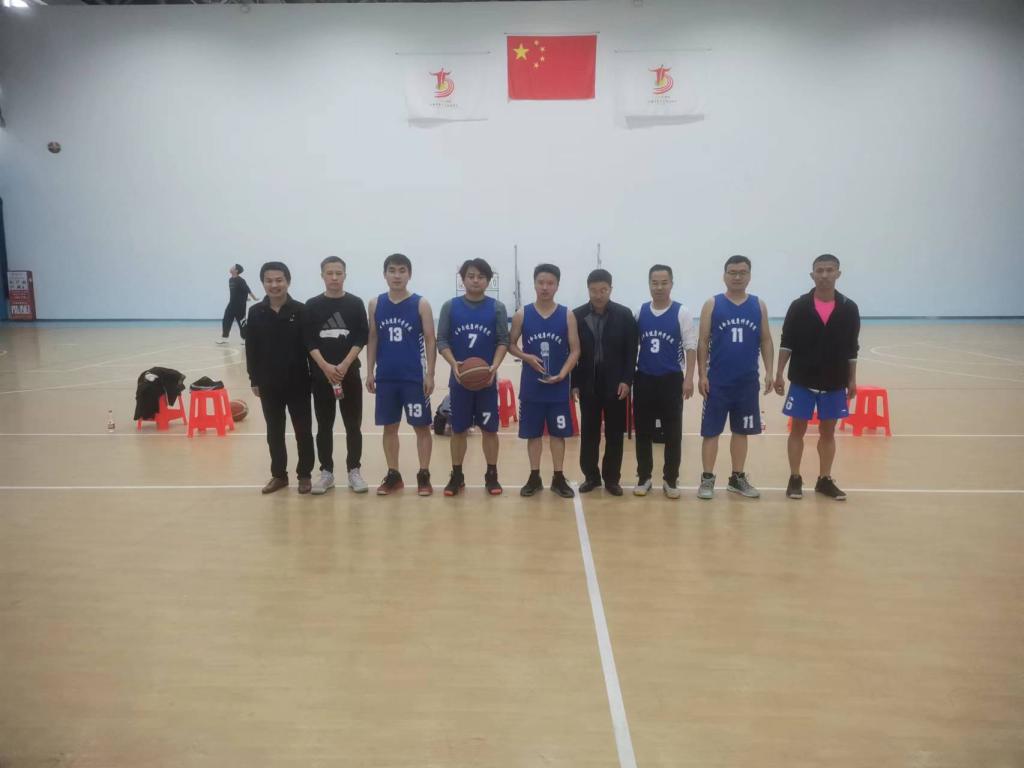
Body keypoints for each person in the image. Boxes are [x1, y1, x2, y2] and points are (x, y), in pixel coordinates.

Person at [773, 254, 860, 501]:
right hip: (802, 380)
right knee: (797, 430)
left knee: (828, 432)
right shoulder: (799, 306)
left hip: (834, 381)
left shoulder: (849, 308)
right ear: (812, 275)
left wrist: (852, 379)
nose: (824, 275)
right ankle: (795, 478)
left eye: (829, 270)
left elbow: (852, 347)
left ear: (838, 274)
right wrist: (779, 373)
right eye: (819, 270)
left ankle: (824, 479)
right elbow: (787, 342)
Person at [696, 255, 775, 499]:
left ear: (749, 275)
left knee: (742, 431)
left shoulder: (758, 305)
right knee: (711, 432)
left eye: (742, 272)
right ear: (724, 275)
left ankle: (737, 478)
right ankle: (707, 479)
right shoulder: (712, 304)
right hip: (717, 382)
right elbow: (702, 341)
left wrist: (770, 371)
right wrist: (702, 374)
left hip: (747, 382)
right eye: (732, 272)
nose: (737, 277)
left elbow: (765, 339)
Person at [365, 253, 437, 496]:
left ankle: (424, 474)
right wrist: (369, 371)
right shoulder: (375, 303)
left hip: (413, 378)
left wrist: (430, 374)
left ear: (409, 274)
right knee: (389, 428)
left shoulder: (421, 303)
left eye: (402, 270)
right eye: (392, 270)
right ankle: (394, 475)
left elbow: (430, 340)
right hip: (386, 378)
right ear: (384, 274)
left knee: (422, 427)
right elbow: (373, 337)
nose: (397, 275)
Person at [437, 258, 509, 497]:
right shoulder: (450, 307)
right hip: (460, 381)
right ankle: (457, 475)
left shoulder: (497, 308)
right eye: (470, 276)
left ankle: (492, 475)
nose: (475, 280)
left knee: (490, 430)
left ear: (488, 281)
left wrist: (494, 367)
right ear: (463, 279)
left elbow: (503, 341)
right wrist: (453, 364)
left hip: (486, 381)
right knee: (458, 430)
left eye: (480, 276)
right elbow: (442, 340)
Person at [508, 264, 580, 498]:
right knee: (533, 434)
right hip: (532, 387)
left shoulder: (567, 314)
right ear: (534, 284)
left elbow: (575, 350)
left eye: (550, 283)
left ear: (557, 285)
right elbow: (510, 345)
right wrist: (526, 357)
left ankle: (558, 477)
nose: (545, 287)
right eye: (541, 282)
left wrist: (564, 373)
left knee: (558, 434)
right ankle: (534, 476)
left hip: (558, 387)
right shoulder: (522, 314)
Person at [245, 261, 314, 494]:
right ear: (263, 283)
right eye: (269, 281)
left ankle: (304, 475)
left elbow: (310, 348)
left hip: (298, 382)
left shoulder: (301, 311)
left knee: (303, 431)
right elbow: (251, 348)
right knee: (274, 432)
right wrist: (254, 379)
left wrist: (314, 378)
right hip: (268, 384)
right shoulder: (256, 312)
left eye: (279, 280)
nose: (274, 285)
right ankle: (279, 475)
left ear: (288, 281)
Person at [304, 256, 369, 495]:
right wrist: (325, 367)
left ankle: (354, 471)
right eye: (329, 273)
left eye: (338, 273)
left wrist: (344, 364)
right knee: (324, 426)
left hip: (349, 375)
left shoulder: (355, 303)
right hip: (322, 377)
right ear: (322, 275)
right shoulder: (312, 305)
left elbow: (361, 335)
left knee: (353, 425)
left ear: (345, 275)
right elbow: (308, 339)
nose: (334, 277)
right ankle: (327, 472)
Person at [571, 269, 638, 496]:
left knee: (614, 434)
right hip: (588, 384)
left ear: (610, 289)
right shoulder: (577, 315)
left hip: (616, 385)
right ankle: (591, 476)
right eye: (594, 290)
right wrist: (575, 383)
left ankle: (612, 479)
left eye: (603, 290)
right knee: (589, 433)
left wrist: (627, 380)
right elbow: (573, 352)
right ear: (588, 290)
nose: (598, 295)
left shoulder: (624, 315)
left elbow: (631, 351)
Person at [633, 264, 697, 499]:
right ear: (649, 284)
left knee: (672, 433)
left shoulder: (682, 312)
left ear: (671, 284)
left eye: (664, 283)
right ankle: (644, 477)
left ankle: (671, 479)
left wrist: (689, 379)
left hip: (671, 380)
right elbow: (632, 346)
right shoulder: (640, 312)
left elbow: (690, 347)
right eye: (655, 283)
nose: (659, 287)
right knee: (643, 432)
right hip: (644, 379)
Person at [218, 263, 257, 345]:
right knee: (226, 320)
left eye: (233, 267)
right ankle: (225, 338)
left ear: (236, 270)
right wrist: (245, 298)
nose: (231, 267)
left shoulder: (241, 280)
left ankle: (245, 339)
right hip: (231, 305)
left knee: (242, 323)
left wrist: (254, 298)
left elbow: (247, 290)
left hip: (240, 306)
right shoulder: (230, 280)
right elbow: (237, 292)